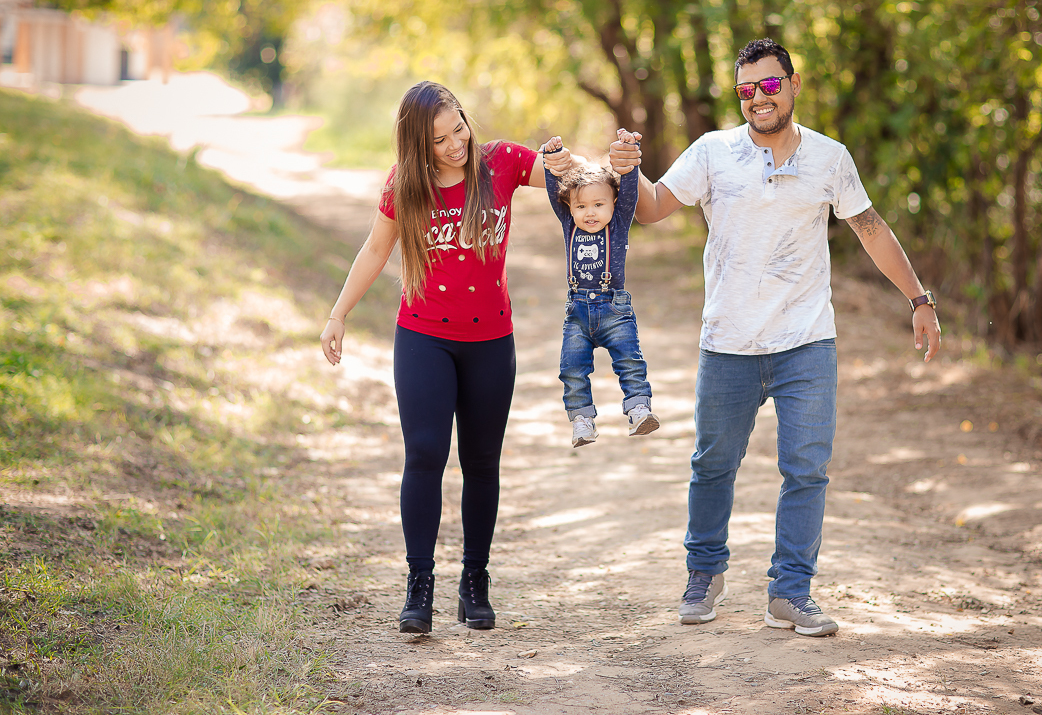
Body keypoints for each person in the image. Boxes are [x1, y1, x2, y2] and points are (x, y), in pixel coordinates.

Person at [609, 38, 941, 637]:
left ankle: (791, 593)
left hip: (806, 342)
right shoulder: (713, 152)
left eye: (769, 84)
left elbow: (869, 227)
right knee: (713, 466)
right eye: (746, 90)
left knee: (806, 470)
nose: (758, 97)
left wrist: (918, 298)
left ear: (792, 85)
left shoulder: (829, 158)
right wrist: (625, 173)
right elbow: (654, 207)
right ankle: (703, 576)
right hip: (729, 343)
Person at [320, 81, 577, 634]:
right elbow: (375, 248)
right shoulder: (404, 185)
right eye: (439, 140)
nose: (455, 143)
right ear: (418, 146)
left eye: (458, 127)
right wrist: (338, 313)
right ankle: (419, 586)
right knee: (427, 452)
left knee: (482, 461)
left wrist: (571, 160)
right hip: (424, 337)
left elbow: (566, 176)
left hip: (490, 340)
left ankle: (475, 581)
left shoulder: (500, 164)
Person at [541, 137, 659, 448]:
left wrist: (629, 164)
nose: (590, 213)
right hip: (577, 313)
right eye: (581, 206)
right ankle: (582, 421)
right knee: (571, 369)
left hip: (614, 310)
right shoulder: (570, 224)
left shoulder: (618, 222)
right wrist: (550, 160)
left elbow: (630, 190)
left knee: (629, 361)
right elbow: (555, 192)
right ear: (571, 208)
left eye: (598, 204)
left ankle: (638, 410)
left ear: (613, 203)